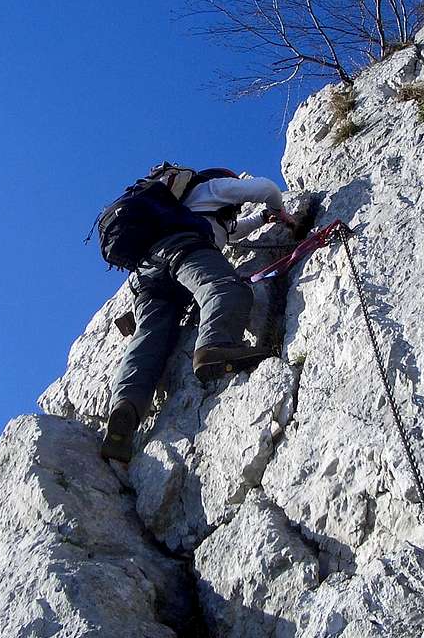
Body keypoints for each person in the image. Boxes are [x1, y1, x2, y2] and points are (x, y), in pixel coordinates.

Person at [101, 168, 295, 462]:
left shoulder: (187, 209)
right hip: (181, 251)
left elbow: (231, 232)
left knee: (150, 339)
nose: (236, 210)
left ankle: (126, 405)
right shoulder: (213, 187)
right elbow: (267, 188)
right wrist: (279, 211)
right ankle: (215, 347)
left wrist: (261, 219)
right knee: (227, 288)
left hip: (147, 276)